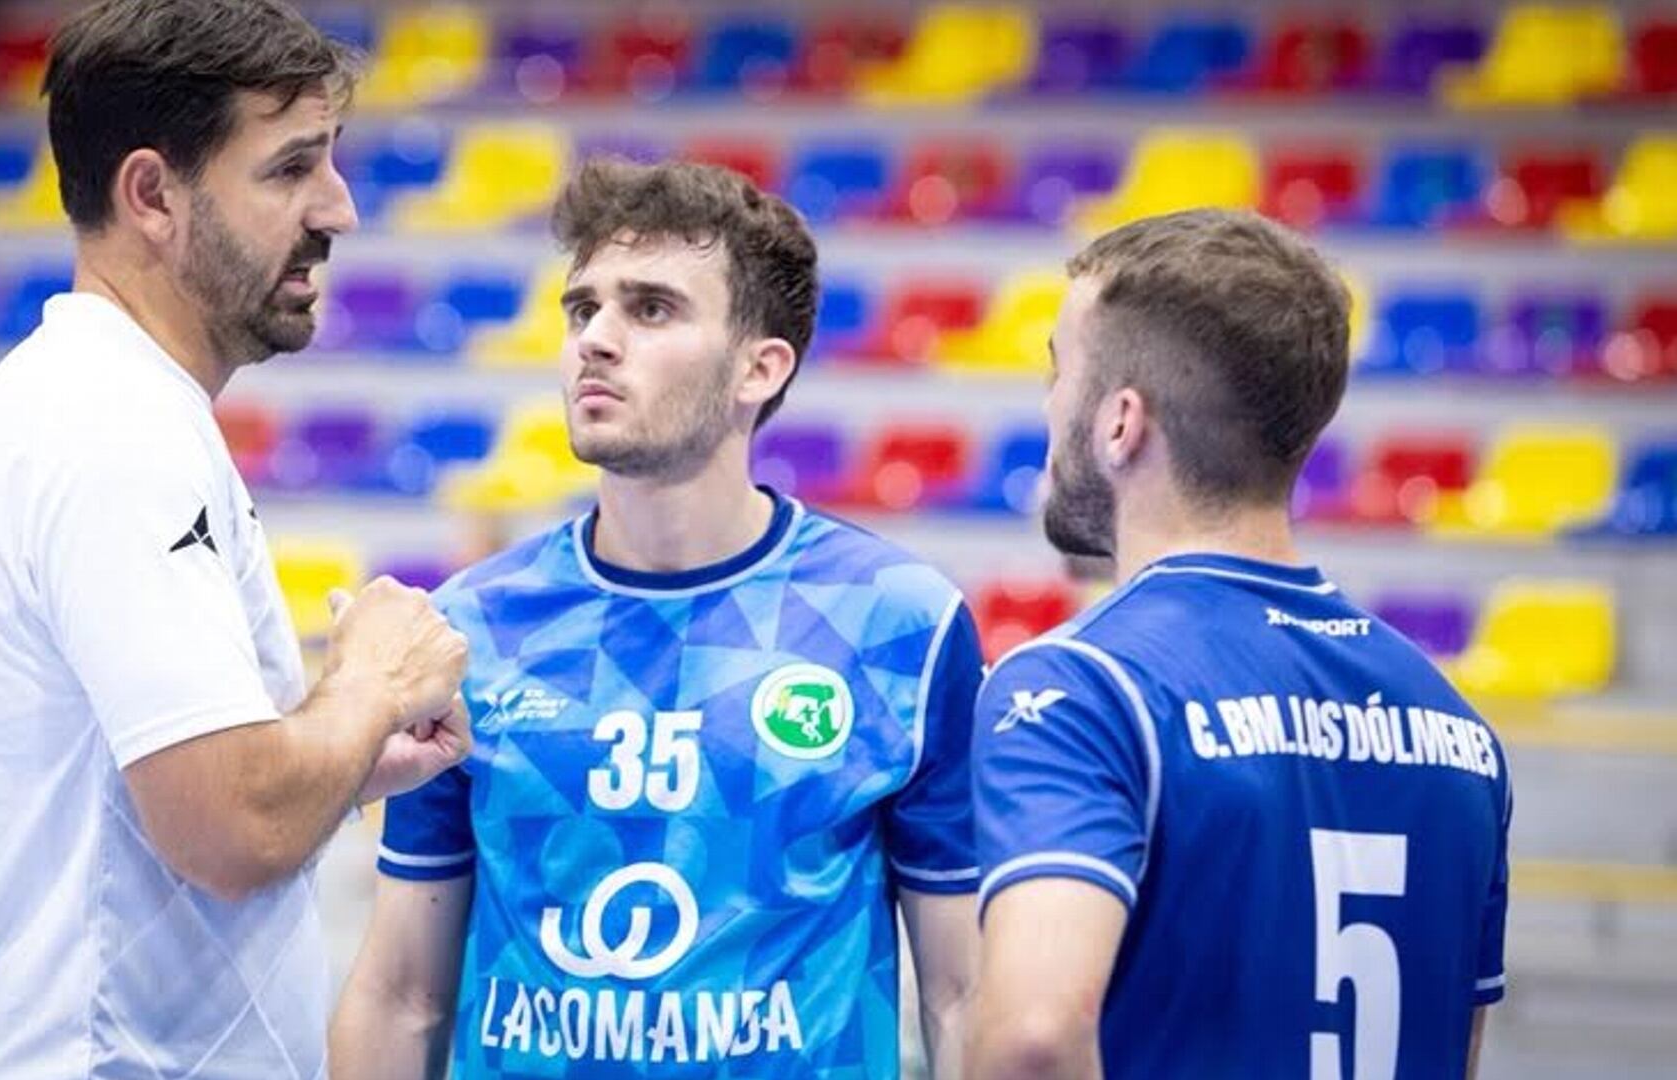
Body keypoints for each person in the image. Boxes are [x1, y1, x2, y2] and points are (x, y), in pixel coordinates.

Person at [0, 1, 470, 1075]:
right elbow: (230, 828)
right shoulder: (112, 431)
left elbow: (168, 803)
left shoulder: (102, 407)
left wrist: (343, 760)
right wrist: (371, 686)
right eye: (291, 167)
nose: (339, 209)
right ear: (153, 195)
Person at [330, 158, 983, 1079]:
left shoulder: (900, 626)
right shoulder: (466, 629)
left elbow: (963, 996)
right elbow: (401, 993)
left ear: (760, 368)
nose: (596, 338)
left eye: (651, 309)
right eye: (582, 308)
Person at [967, 209, 1511, 1079]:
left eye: (1058, 372)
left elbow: (1032, 1041)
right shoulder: (1456, 726)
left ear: (1120, 423)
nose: (1047, 405)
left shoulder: (1079, 689)